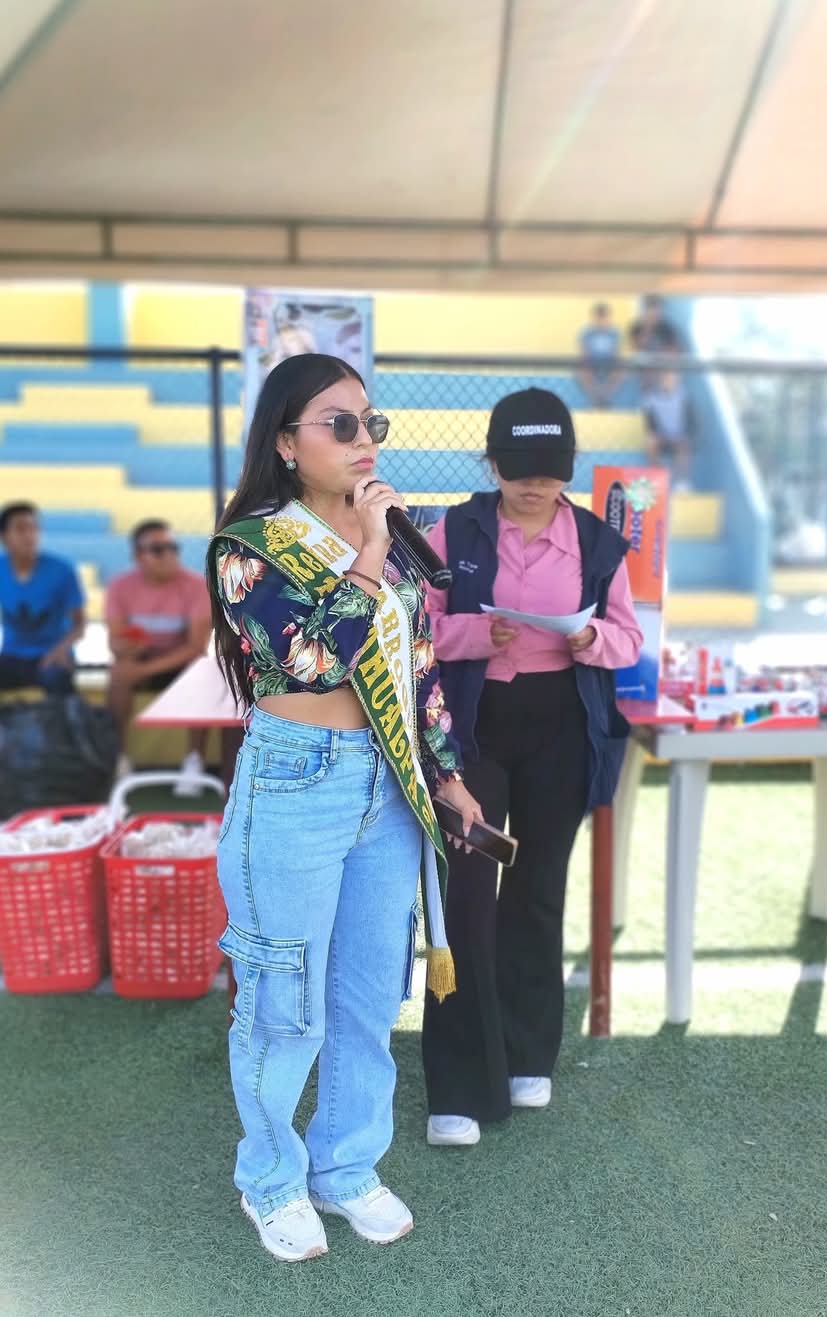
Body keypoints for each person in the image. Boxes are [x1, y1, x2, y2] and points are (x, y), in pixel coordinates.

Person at [207, 352, 482, 1263]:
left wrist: (444, 772)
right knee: (285, 1004)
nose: (365, 440)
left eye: (372, 423)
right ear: (287, 443)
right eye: (341, 424)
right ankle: (270, 1180)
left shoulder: (389, 536)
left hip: (386, 784)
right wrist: (368, 547)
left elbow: (416, 662)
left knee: (366, 997)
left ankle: (346, 1165)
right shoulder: (248, 546)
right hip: (296, 783)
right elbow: (313, 659)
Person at [421, 387, 643, 1147]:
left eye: (549, 471)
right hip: (473, 733)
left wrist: (592, 642)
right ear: (492, 464)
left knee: (539, 891)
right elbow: (416, 627)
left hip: (561, 730)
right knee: (466, 897)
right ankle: (458, 1083)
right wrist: (475, 634)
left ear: (568, 469)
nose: (533, 484)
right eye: (518, 469)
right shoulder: (453, 530)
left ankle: (527, 1052)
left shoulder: (597, 543)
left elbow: (628, 638)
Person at [105, 519, 212, 789]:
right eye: (158, 549)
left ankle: (194, 762)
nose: (168, 555)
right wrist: (126, 648)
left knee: (200, 670)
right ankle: (119, 758)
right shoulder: (120, 586)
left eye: (173, 547)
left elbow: (196, 647)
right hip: (142, 658)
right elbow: (115, 641)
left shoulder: (196, 586)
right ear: (138, 556)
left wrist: (142, 670)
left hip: (180, 660)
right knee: (119, 672)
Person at [0, 501, 85, 696]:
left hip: (53, 655)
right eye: (21, 529)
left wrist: (61, 650)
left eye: (34, 528)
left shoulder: (62, 570)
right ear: (4, 536)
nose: (29, 535)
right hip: (11, 655)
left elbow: (79, 624)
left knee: (57, 681)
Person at [642, 369, 695, 491]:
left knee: (684, 444)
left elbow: (692, 423)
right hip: (662, 436)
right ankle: (657, 478)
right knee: (650, 441)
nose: (667, 381)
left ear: (677, 381)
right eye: (665, 379)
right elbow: (649, 424)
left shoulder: (685, 398)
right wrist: (657, 434)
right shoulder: (651, 399)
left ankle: (680, 481)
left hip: (679, 436)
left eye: (671, 379)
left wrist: (685, 435)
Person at [575, 301, 623, 407]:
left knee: (620, 370)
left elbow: (615, 353)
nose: (601, 320)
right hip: (592, 363)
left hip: (608, 363)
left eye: (603, 317)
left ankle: (606, 396)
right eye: (598, 317)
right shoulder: (586, 333)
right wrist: (589, 364)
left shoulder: (614, 333)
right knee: (581, 370)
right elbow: (584, 353)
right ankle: (595, 398)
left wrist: (611, 364)